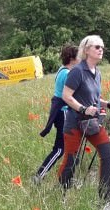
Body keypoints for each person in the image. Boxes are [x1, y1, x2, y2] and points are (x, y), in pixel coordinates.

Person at [57, 35, 110, 203]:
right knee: (71, 160)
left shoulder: (97, 72)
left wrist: (108, 104)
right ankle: (60, 195)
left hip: (91, 123)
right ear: (86, 50)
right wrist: (83, 109)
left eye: (102, 47)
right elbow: (66, 96)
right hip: (74, 123)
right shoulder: (77, 71)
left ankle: (105, 194)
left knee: (107, 154)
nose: (101, 49)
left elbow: (94, 97)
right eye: (96, 47)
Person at [33, 44, 79, 184]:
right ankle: (39, 175)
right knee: (60, 149)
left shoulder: (62, 70)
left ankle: (67, 178)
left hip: (60, 113)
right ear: (72, 58)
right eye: (79, 56)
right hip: (63, 113)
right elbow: (72, 95)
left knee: (69, 148)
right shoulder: (67, 73)